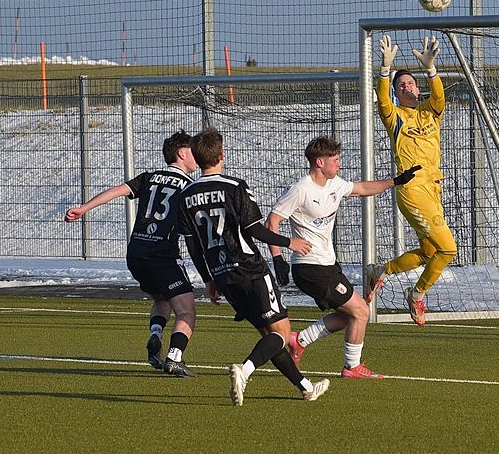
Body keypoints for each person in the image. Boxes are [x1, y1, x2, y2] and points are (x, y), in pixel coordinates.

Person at [175, 127, 330, 406]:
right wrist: (288, 242)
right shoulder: (234, 187)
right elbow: (254, 229)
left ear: (197, 160)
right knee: (281, 335)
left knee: (269, 337)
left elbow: (193, 245)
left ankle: (305, 387)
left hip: (223, 277)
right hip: (250, 269)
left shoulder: (185, 195)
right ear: (222, 155)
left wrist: (209, 279)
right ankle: (244, 371)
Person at [266, 136, 420, 378]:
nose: (339, 164)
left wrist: (396, 181)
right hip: (310, 268)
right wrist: (278, 258)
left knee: (349, 314)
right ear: (320, 162)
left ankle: (300, 340)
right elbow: (272, 221)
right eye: (335, 160)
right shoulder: (300, 189)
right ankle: (352, 367)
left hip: (328, 266)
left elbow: (361, 188)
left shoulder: (335, 183)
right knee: (360, 312)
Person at [64, 129, 201, 377]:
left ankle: (155, 336)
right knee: (186, 310)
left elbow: (117, 191)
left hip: (136, 252)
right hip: (163, 255)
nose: (197, 157)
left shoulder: (149, 177)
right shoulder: (190, 186)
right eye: (193, 152)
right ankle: (174, 357)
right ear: (181, 153)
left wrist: (83, 208)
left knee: (162, 299)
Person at [363, 35, 458, 326]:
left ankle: (382, 271)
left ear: (419, 88)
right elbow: (381, 101)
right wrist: (384, 70)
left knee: (430, 251)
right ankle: (416, 294)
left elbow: (440, 97)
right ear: (396, 93)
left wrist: (431, 70)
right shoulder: (395, 117)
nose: (407, 87)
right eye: (400, 85)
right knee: (448, 249)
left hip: (433, 189)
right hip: (411, 190)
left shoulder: (430, 113)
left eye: (410, 83)